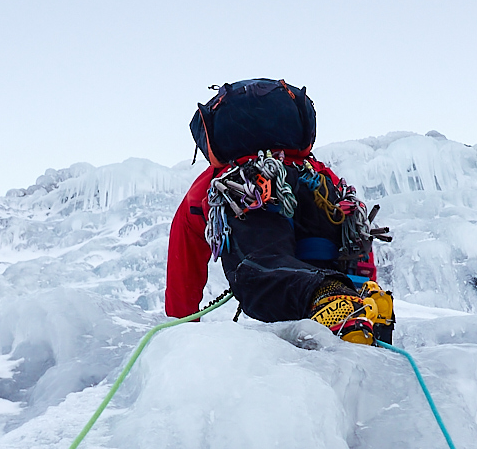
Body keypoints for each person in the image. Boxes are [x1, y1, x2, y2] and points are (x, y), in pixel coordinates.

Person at [164, 79, 394, 343]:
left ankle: (331, 295)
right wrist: (364, 281)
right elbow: (353, 227)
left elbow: (185, 256)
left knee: (260, 271)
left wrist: (181, 324)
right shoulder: (317, 169)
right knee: (320, 260)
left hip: (250, 190)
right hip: (318, 192)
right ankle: (361, 302)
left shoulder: (218, 178)